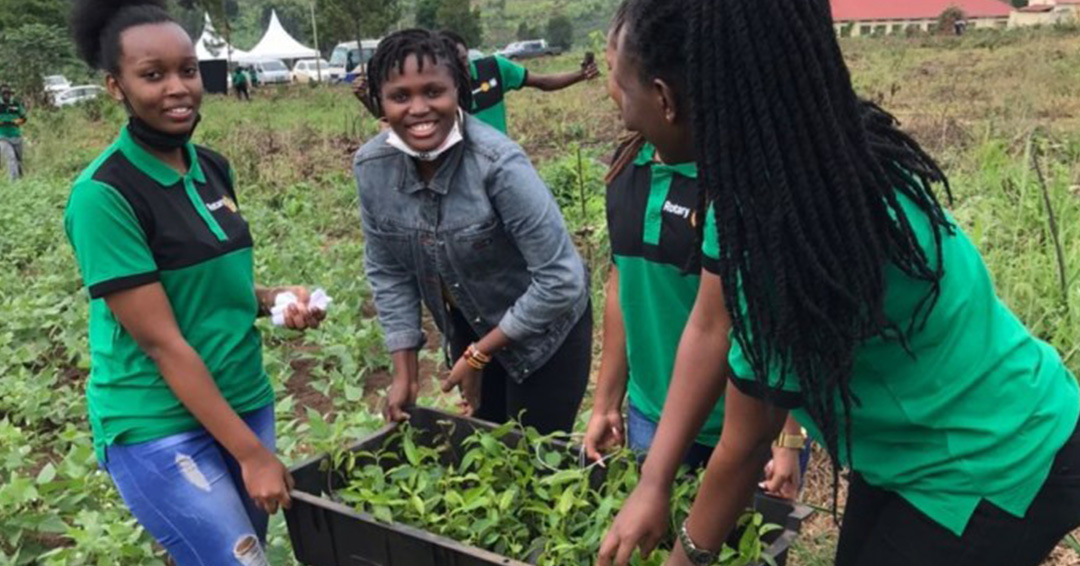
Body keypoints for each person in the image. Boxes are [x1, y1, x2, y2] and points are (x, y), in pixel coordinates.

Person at [598, 1, 1080, 566]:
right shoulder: (773, 162)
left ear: (665, 99)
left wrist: (687, 558)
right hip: (920, 441)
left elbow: (748, 440)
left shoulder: (784, 229)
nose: (624, 116)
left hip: (993, 455)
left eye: (621, 89)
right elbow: (709, 323)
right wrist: (654, 481)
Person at [65, 1, 325, 563]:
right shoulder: (104, 195)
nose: (178, 87)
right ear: (116, 87)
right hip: (159, 425)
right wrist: (251, 454)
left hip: (244, 399)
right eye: (152, 75)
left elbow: (217, 290)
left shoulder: (211, 166)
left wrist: (274, 299)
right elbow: (162, 342)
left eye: (187, 69)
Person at [585, 7, 807, 498]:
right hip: (653, 418)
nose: (616, 96)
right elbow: (623, 287)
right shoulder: (625, 172)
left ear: (661, 92)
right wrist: (606, 402)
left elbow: (793, 325)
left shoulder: (747, 192)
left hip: (749, 428)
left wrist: (791, 436)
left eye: (621, 78)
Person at [354, 29, 592, 435]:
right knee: (488, 449)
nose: (418, 109)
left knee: (535, 457)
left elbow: (561, 280)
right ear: (380, 101)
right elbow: (389, 270)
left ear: (459, 91)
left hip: (545, 335)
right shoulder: (372, 168)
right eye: (400, 96)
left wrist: (480, 355)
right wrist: (404, 372)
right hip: (472, 325)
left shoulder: (497, 164)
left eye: (433, 92)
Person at [442, 30, 599, 135]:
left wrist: (580, 75)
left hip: (500, 162)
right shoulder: (441, 93)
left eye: (464, 59)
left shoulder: (495, 67)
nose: (464, 67)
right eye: (457, 64)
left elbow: (543, 82)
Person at [0, 84, 27, 181]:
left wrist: (18, 121)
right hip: (3, 136)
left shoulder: (16, 104)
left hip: (16, 135)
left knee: (19, 160)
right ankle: (14, 183)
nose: (7, 95)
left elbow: (24, 118)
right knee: (11, 158)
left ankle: (21, 179)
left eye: (8, 93)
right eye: (4, 93)